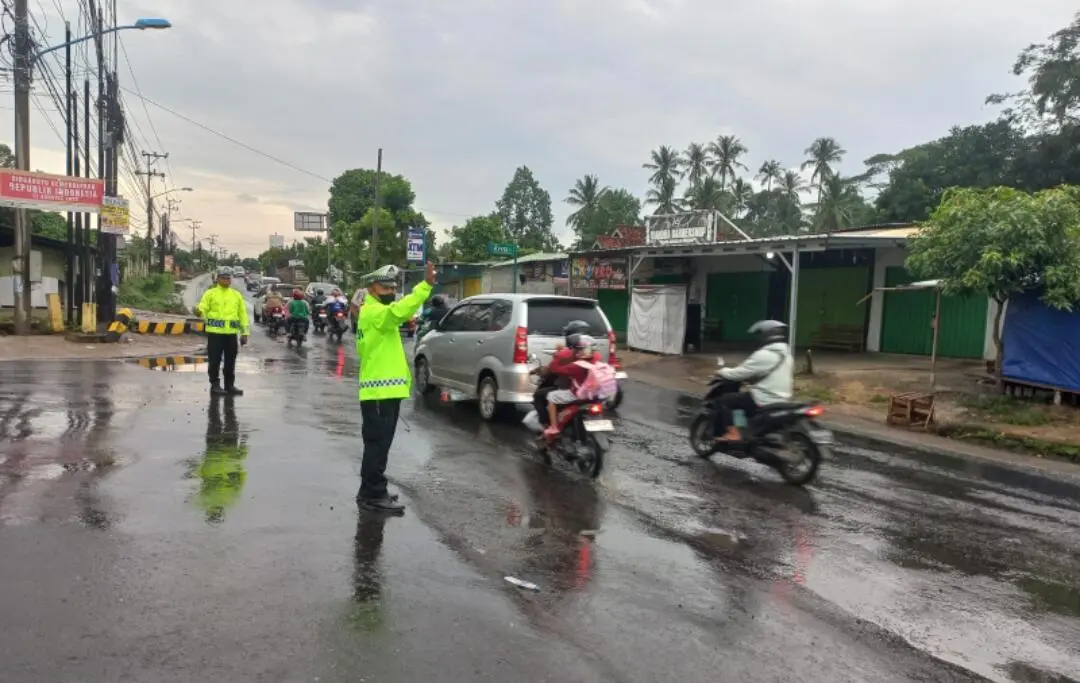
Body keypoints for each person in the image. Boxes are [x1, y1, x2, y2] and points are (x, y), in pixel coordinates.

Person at [355, 261, 435, 513]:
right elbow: (400, 311)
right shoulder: (374, 313)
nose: (390, 291)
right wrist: (425, 287)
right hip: (379, 394)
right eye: (384, 287)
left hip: (384, 393)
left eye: (392, 287)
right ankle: (371, 495)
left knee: (379, 445)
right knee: (377, 445)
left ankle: (372, 489)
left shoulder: (374, 312)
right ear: (371, 288)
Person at [713, 319, 793, 442]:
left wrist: (722, 371)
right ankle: (748, 429)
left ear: (766, 335)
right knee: (742, 399)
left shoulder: (764, 355)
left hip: (764, 397)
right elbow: (767, 374)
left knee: (724, 401)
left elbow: (740, 373)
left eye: (759, 335)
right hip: (783, 398)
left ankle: (733, 433)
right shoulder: (787, 355)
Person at [195, 270, 249, 396]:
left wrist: (244, 333)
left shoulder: (236, 295)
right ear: (218, 279)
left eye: (228, 278)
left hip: (231, 334)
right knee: (215, 360)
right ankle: (215, 385)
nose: (226, 281)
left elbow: (242, 315)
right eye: (223, 278)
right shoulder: (210, 293)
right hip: (215, 333)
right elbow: (203, 307)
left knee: (231, 361)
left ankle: (229, 385)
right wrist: (199, 311)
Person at [532, 320, 595, 426]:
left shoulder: (566, 354)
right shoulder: (594, 353)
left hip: (573, 390)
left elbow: (551, 369)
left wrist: (538, 371)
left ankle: (548, 426)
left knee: (539, 395)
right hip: (593, 391)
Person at [543, 333, 598, 438]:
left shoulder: (575, 366)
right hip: (596, 394)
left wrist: (557, 354)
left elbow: (555, 368)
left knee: (551, 396)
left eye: (578, 350)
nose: (576, 352)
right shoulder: (597, 359)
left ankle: (554, 427)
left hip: (579, 395)